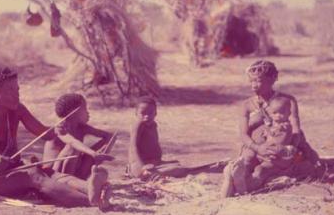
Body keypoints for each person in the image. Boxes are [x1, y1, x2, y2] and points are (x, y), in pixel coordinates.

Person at [0, 67, 110, 208]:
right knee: (33, 175)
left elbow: (44, 134)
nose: (17, 95)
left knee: (51, 174)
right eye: (11, 91)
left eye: (17, 89)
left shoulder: (17, 109)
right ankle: (92, 201)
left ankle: (95, 188)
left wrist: (57, 129)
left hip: (13, 170)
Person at [220, 60, 321, 198]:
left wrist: (286, 149)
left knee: (266, 170)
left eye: (258, 81)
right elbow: (243, 134)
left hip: (282, 148)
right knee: (249, 161)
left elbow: (296, 130)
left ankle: (240, 182)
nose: (253, 85)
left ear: (273, 79)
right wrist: (258, 148)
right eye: (251, 81)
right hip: (256, 148)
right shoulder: (247, 105)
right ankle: (236, 177)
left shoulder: (288, 101)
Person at [127, 96, 216, 180]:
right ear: (136, 113)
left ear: (156, 113)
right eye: (143, 113)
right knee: (178, 169)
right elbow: (133, 147)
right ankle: (151, 175)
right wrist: (141, 168)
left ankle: (157, 172)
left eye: (150, 113)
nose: (147, 116)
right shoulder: (138, 125)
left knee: (177, 164)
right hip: (141, 166)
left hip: (153, 163)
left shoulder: (153, 125)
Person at [42, 93, 115, 180]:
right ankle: (67, 184)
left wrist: (101, 152)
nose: (88, 113)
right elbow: (72, 142)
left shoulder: (82, 128)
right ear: (73, 112)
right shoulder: (59, 128)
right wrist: (93, 153)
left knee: (108, 140)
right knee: (73, 147)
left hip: (75, 173)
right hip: (52, 175)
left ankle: (80, 181)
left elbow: (110, 136)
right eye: (85, 109)